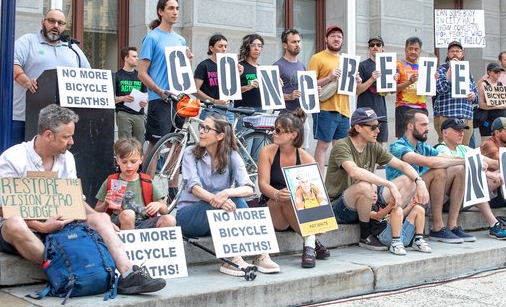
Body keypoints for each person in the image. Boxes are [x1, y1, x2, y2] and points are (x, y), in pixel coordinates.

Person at [0, 105, 166, 295]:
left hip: (61, 224)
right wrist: (41, 226)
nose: (72, 142)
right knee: (14, 223)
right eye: (66, 137)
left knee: (100, 218)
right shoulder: (12, 158)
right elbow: (5, 209)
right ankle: (64, 268)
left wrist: (102, 221)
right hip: (26, 229)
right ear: (48, 135)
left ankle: (127, 274)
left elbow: (75, 201)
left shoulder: (66, 158)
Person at [176, 113, 280, 275]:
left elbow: (248, 188)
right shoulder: (190, 152)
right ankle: (231, 258)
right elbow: (193, 187)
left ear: (220, 135)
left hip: (216, 217)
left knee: (234, 197)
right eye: (202, 127)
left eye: (207, 128)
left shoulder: (232, 155)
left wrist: (225, 193)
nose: (201, 131)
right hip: (189, 217)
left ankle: (261, 254)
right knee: (229, 198)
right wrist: (217, 197)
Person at [324, 107, 430, 253]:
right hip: (341, 205)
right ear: (358, 127)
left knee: (408, 180)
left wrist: (420, 181)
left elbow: (402, 165)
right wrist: (388, 184)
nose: (378, 131)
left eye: (378, 126)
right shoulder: (342, 145)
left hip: (368, 202)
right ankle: (366, 235)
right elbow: (353, 171)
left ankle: (392, 228)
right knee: (365, 186)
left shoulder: (373, 146)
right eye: (373, 127)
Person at [257, 109, 330, 268]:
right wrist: (276, 193)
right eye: (273, 129)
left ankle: (310, 241)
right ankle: (310, 241)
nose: (273, 133)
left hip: (299, 209)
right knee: (288, 196)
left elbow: (316, 188)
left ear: (293, 135)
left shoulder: (305, 157)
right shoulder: (267, 152)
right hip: (273, 204)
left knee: (295, 196)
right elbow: (262, 184)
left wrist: (321, 219)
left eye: (278, 130)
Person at [389, 110, 474, 243]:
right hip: (403, 198)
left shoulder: (422, 146)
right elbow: (429, 162)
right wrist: (466, 160)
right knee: (438, 171)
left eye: (428, 125)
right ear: (411, 126)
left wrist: (472, 160)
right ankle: (437, 228)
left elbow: (447, 158)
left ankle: (452, 225)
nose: (428, 129)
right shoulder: (398, 146)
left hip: (421, 195)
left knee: (459, 169)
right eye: (423, 125)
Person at [12, 9, 89, 144]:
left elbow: (88, 74)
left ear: (64, 27)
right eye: (51, 21)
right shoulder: (28, 41)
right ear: (43, 22)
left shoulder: (72, 48)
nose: (55, 26)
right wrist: (26, 81)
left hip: (61, 122)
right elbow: (10, 62)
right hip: (26, 117)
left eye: (60, 23)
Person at [436, 118, 506, 240]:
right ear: (445, 132)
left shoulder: (464, 148)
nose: (461, 133)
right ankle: (493, 224)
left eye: (462, 130)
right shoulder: (440, 149)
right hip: (446, 200)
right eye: (457, 130)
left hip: (464, 198)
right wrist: (488, 173)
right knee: (472, 172)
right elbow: (464, 166)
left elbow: (492, 163)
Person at [139, 0, 193, 152]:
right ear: (160, 11)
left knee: (177, 144)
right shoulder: (151, 38)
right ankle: (149, 177)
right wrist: (160, 91)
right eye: (171, 8)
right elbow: (142, 73)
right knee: (156, 145)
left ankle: (174, 178)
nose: (175, 12)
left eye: (177, 8)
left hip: (179, 98)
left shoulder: (181, 40)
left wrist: (188, 61)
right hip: (160, 99)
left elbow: (182, 74)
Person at [94, 138, 176, 230]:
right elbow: (97, 211)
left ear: (141, 160)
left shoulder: (147, 181)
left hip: (143, 222)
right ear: (117, 160)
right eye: (124, 162)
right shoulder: (111, 181)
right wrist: (106, 203)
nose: (129, 166)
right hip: (119, 223)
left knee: (169, 220)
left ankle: (153, 244)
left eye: (133, 162)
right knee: (128, 214)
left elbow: (165, 210)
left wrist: (159, 205)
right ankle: (129, 244)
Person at [308, 26, 351, 171]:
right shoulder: (317, 57)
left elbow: (352, 87)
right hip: (325, 108)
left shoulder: (347, 61)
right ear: (326, 39)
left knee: (341, 148)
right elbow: (309, 83)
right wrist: (329, 78)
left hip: (344, 109)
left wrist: (356, 79)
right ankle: (319, 181)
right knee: (324, 145)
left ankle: (337, 184)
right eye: (333, 36)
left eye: (339, 36)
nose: (336, 39)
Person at [433, 41, 478, 145]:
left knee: (464, 148)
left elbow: (476, 94)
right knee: (446, 147)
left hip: (465, 115)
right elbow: (441, 89)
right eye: (452, 51)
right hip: (446, 115)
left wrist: (473, 96)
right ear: (448, 55)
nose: (455, 54)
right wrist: (451, 69)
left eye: (458, 51)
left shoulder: (467, 72)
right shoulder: (441, 70)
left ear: (462, 54)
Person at [369, 188, 432, 254]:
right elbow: (378, 216)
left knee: (419, 209)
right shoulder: (368, 209)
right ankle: (395, 243)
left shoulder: (382, 205)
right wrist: (390, 206)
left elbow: (399, 215)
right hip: (386, 237)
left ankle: (418, 240)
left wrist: (410, 206)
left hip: (402, 236)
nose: (374, 195)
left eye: (376, 193)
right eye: (371, 193)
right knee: (397, 209)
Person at [356, 36, 391, 144]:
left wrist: (394, 81)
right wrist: (371, 79)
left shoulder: (387, 65)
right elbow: (357, 91)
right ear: (368, 48)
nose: (375, 47)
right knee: (365, 146)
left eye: (378, 45)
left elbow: (390, 92)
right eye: (372, 45)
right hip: (366, 113)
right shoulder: (362, 65)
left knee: (381, 148)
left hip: (381, 112)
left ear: (383, 48)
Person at [237, 33, 266, 161]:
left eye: (259, 46)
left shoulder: (261, 69)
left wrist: (276, 84)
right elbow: (232, 91)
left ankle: (252, 180)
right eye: (253, 45)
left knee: (257, 154)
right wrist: (248, 87)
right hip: (245, 111)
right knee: (244, 151)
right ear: (247, 47)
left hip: (261, 111)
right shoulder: (240, 66)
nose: (256, 48)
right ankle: (241, 181)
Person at [195, 34, 233, 120]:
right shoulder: (204, 65)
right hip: (211, 108)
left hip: (228, 108)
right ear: (211, 48)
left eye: (225, 46)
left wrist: (238, 74)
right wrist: (214, 101)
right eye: (220, 46)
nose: (224, 49)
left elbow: (233, 89)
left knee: (229, 133)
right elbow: (195, 90)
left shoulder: (229, 65)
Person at [395, 36, 427, 138]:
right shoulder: (398, 65)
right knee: (403, 139)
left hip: (421, 108)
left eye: (416, 49)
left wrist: (434, 79)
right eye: (410, 49)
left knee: (420, 139)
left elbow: (431, 90)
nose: (413, 52)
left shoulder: (425, 66)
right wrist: (409, 82)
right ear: (405, 50)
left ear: (420, 51)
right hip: (403, 107)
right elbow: (392, 89)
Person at [114, 47, 147, 143]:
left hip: (139, 113)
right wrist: (123, 98)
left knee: (138, 143)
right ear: (126, 58)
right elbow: (111, 99)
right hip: (123, 112)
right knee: (125, 143)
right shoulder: (117, 76)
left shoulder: (140, 76)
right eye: (134, 56)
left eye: (137, 56)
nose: (137, 58)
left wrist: (145, 101)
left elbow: (145, 94)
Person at [274, 28, 305, 114]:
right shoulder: (277, 66)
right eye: (293, 42)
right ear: (285, 45)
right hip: (284, 115)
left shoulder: (302, 65)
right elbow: (271, 95)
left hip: (301, 114)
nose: (297, 44)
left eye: (298, 41)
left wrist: (313, 91)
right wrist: (289, 96)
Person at [476, 62, 506, 139]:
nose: (498, 74)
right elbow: (481, 104)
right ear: (489, 72)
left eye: (499, 72)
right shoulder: (484, 85)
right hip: (488, 119)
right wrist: (498, 107)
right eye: (495, 71)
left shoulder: (502, 85)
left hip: (501, 118)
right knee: (487, 142)